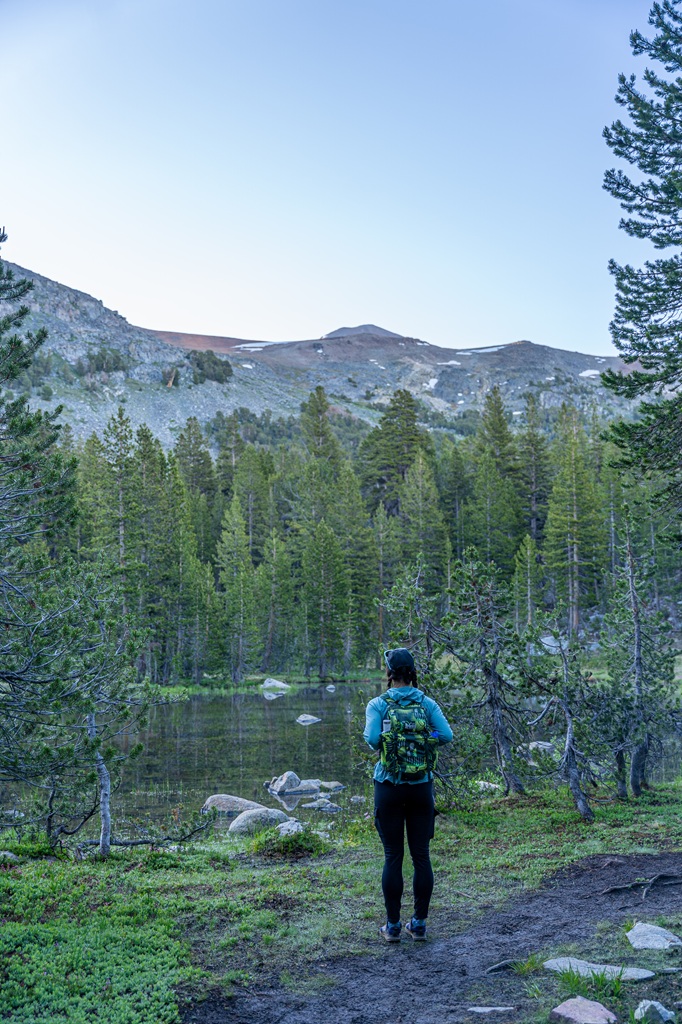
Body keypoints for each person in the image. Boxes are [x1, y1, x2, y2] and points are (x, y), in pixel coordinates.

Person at [364, 647, 453, 943]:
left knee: (393, 856)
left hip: (388, 787)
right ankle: (419, 925)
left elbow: (373, 740)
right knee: (421, 857)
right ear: (413, 673)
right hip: (421, 788)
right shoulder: (427, 703)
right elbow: (447, 736)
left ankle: (392, 927)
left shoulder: (378, 704)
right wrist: (425, 739)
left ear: (390, 674)